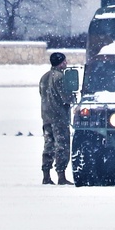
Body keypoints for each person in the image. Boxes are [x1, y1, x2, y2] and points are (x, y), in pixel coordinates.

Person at [39, 52, 73, 185]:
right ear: (60, 62)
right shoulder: (60, 77)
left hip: (46, 116)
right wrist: (72, 97)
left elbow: (42, 94)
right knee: (62, 146)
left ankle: (46, 175)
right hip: (59, 117)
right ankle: (61, 176)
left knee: (48, 145)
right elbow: (66, 98)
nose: (66, 63)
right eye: (64, 61)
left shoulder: (44, 77)